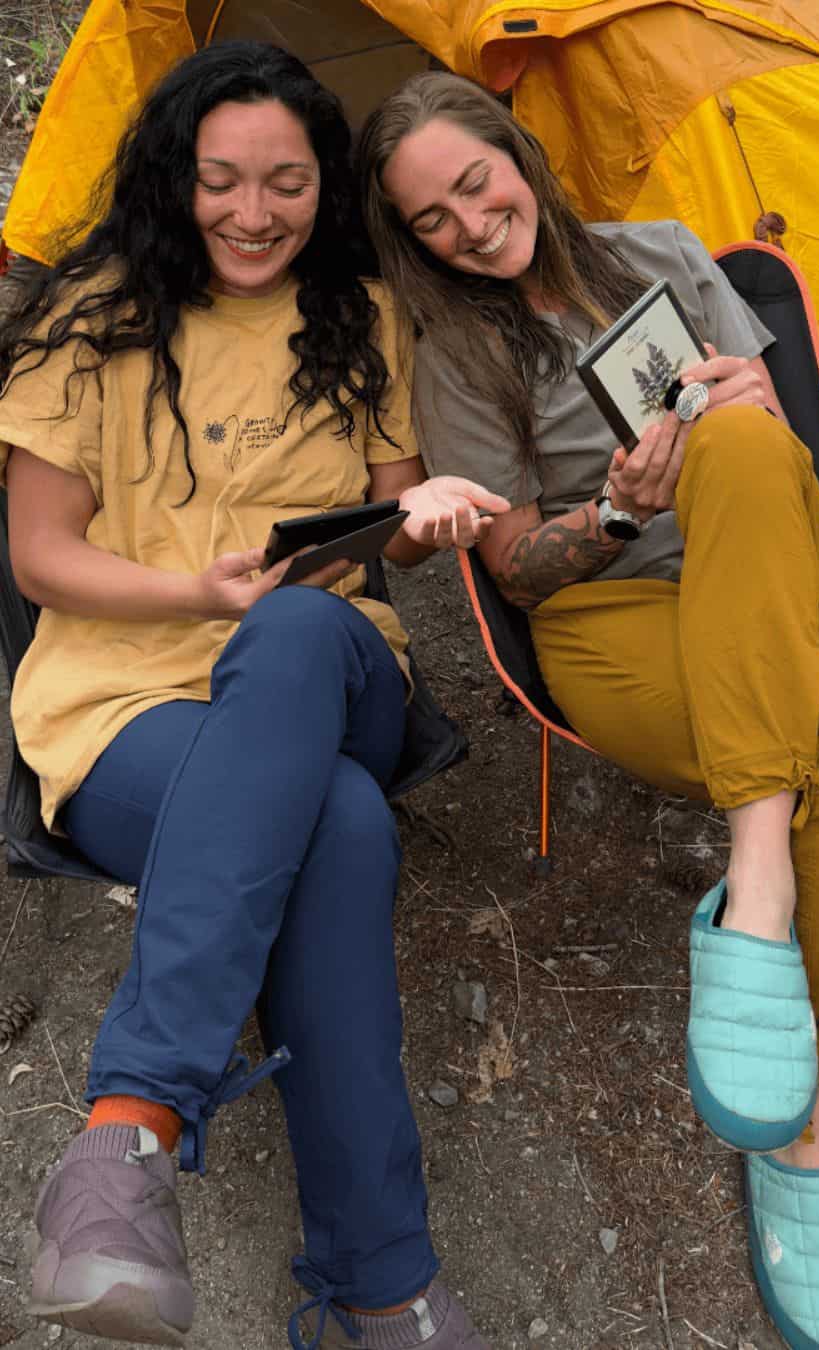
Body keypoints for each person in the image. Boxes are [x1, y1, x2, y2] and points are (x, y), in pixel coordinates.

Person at [355, 71, 819, 1350]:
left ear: (518, 156)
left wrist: (737, 410)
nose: (466, 223)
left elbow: (784, 447)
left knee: (732, 442)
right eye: (430, 221)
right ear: (411, 244)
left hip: (781, 590)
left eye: (474, 183)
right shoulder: (455, 350)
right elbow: (510, 566)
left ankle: (756, 874)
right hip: (616, 623)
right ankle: (806, 1125)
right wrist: (617, 509)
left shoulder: (663, 256)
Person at [0, 43, 508, 1350]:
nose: (252, 210)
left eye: (285, 181)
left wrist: (421, 516)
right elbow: (39, 552)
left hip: (329, 661)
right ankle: (381, 1285)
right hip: (121, 710)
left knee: (289, 630)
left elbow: (390, 523)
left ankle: (126, 1131)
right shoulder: (87, 321)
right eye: (221, 180)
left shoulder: (358, 311)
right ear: (174, 177)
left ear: (319, 188)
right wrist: (197, 597)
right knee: (337, 825)